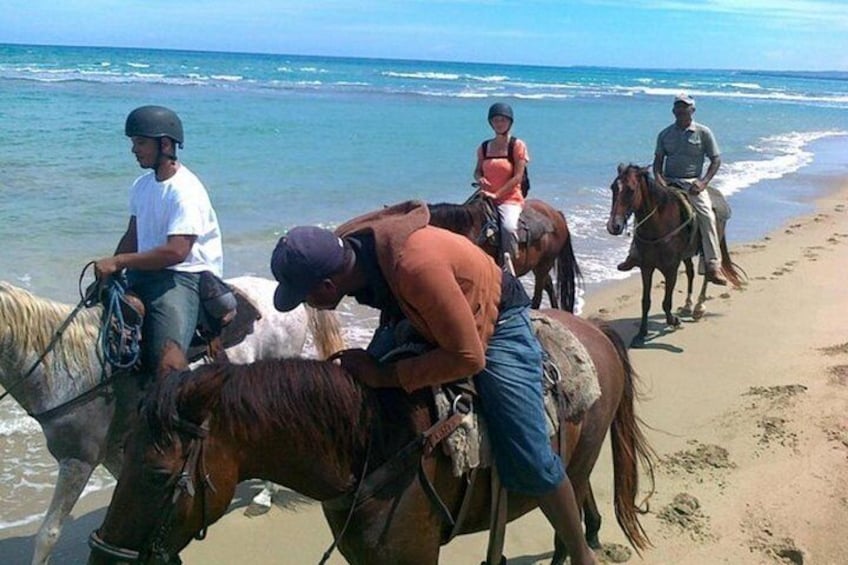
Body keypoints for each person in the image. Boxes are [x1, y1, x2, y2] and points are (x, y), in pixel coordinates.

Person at [270, 200, 598, 565]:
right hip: (417, 311)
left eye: (306, 297)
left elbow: (468, 358)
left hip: (495, 319)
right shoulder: (345, 246)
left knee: (530, 452)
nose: (309, 306)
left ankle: (582, 555)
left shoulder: (414, 267)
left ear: (329, 285)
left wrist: (385, 375)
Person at [94, 105, 225, 382]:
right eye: (133, 143)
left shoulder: (186, 190)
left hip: (182, 278)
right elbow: (133, 236)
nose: (134, 150)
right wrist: (110, 271)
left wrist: (119, 262)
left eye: (140, 143)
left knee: (166, 365)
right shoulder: (141, 185)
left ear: (165, 144)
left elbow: (177, 251)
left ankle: (175, 416)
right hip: (145, 271)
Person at [618, 93, 728, 285]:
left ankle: (712, 264)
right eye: (677, 107)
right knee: (642, 211)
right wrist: (660, 180)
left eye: (684, 107)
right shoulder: (665, 134)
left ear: (692, 110)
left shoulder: (703, 133)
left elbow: (716, 160)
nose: (680, 111)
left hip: (693, 183)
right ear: (673, 110)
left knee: (707, 216)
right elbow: (658, 162)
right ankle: (634, 254)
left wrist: (703, 182)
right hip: (668, 182)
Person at [474, 102, 529, 271]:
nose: (499, 123)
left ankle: (509, 267)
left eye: (503, 120)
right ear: (491, 123)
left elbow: (517, 177)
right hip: (485, 197)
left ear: (510, 122)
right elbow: (476, 171)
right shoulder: (484, 147)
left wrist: (497, 194)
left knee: (508, 227)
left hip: (509, 198)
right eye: (496, 120)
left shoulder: (517, 145)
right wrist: (480, 179)